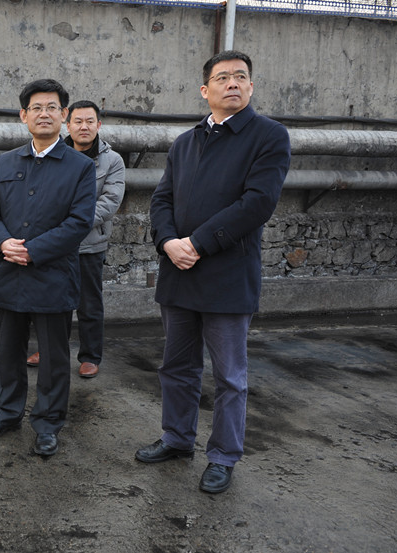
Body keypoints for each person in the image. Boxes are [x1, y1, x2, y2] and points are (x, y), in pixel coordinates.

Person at [135, 51, 291, 493]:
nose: (232, 83)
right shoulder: (186, 142)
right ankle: (177, 438)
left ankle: (223, 455)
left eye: (241, 77)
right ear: (206, 90)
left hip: (227, 275)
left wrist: (198, 243)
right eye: (222, 78)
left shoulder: (268, 136)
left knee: (229, 377)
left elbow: (257, 203)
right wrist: (168, 242)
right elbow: (161, 199)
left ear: (251, 86)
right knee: (176, 366)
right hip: (178, 271)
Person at [0, 79, 96, 456]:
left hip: (52, 276)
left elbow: (79, 222)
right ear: (23, 115)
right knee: (9, 350)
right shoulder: (7, 161)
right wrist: (2, 242)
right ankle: (7, 412)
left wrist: (33, 251)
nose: (44, 114)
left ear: (64, 115)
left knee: (53, 356)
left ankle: (48, 422)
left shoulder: (80, 166)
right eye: (36, 108)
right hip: (9, 272)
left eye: (52, 107)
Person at [25, 100, 125, 378]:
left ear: (98, 125)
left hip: (89, 243)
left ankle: (90, 356)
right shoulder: (54, 155)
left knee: (89, 303)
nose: (84, 127)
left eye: (90, 121)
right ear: (67, 124)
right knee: (51, 300)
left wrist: (71, 225)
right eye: (78, 121)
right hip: (55, 243)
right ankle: (49, 349)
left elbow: (109, 202)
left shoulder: (112, 161)